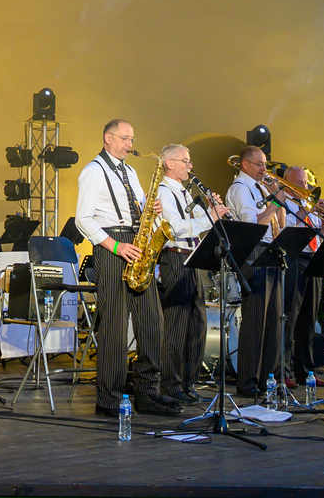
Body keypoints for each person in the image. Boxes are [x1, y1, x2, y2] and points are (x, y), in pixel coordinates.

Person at [75, 119, 176, 419]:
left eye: (132, 139)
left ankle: (147, 391)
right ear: (107, 138)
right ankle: (109, 399)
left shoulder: (130, 172)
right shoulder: (93, 171)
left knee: (152, 321)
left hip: (137, 244)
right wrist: (116, 247)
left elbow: (139, 209)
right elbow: (83, 219)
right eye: (124, 139)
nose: (130, 145)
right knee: (115, 327)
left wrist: (151, 210)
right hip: (112, 246)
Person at [155, 144, 229, 404]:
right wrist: (210, 217)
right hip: (174, 258)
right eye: (185, 160)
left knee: (197, 326)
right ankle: (171, 385)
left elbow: (201, 223)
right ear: (169, 163)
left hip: (192, 257)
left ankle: (189, 382)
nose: (190, 165)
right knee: (176, 326)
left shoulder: (186, 193)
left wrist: (213, 209)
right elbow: (176, 228)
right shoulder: (163, 192)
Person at [224, 145, 286, 399]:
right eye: (259, 164)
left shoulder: (260, 188)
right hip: (253, 252)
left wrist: (279, 204)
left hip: (270, 250)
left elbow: (278, 225)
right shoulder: (241, 188)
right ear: (245, 164)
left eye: (265, 164)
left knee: (273, 320)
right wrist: (273, 203)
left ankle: (266, 378)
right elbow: (252, 225)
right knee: (256, 320)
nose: (264, 169)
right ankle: (248, 380)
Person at [277, 165, 324, 386]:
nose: (304, 187)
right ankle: (285, 371)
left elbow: (322, 234)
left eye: (305, 183)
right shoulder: (283, 202)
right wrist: (306, 211)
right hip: (294, 259)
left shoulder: (308, 204)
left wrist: (323, 217)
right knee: (290, 316)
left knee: (309, 318)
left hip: (314, 259)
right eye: (299, 183)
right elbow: (287, 230)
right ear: (287, 183)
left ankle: (306, 372)